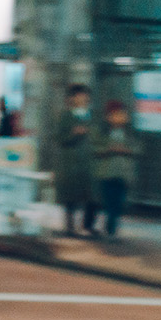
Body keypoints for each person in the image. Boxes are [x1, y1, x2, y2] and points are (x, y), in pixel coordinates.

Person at [52, 83, 98, 236]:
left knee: (93, 196)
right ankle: (70, 227)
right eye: (79, 95)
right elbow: (58, 138)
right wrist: (73, 133)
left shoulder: (93, 115)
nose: (83, 98)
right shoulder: (65, 116)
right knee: (70, 197)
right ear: (72, 98)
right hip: (70, 162)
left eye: (85, 95)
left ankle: (88, 226)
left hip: (90, 162)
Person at [92, 100, 139, 239]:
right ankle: (109, 227)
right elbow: (95, 149)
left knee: (119, 203)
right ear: (108, 117)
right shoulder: (102, 132)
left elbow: (138, 148)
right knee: (108, 201)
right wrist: (109, 149)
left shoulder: (130, 133)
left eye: (122, 115)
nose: (120, 117)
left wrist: (125, 150)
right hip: (106, 173)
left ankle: (111, 227)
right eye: (116, 115)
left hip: (124, 174)